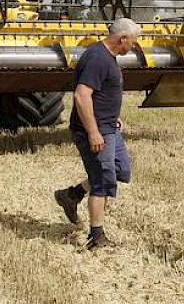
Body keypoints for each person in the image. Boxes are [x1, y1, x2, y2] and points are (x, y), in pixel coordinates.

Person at [54, 17, 140, 250]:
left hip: (109, 126)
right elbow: (82, 96)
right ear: (122, 38)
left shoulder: (107, 57)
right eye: (132, 42)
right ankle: (96, 237)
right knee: (102, 181)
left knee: (121, 171)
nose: (133, 47)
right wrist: (93, 132)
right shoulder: (97, 58)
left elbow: (101, 93)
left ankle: (72, 195)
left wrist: (113, 115)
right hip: (95, 130)